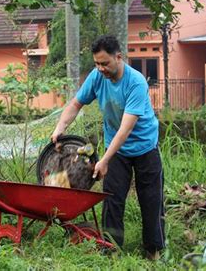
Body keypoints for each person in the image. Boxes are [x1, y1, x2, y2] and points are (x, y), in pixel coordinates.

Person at [51, 35, 165, 260]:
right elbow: (76, 104)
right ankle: (111, 250)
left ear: (118, 57)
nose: (100, 68)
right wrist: (60, 128)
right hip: (117, 149)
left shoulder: (136, 82)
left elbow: (125, 129)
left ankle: (153, 252)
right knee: (112, 200)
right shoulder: (96, 77)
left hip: (145, 147)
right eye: (96, 63)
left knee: (151, 200)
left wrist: (104, 160)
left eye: (105, 63)